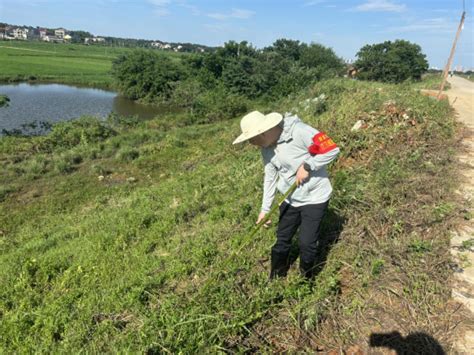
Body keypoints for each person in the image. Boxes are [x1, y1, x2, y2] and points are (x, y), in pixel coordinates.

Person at [233, 111, 340, 280]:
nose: (252, 144)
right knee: (281, 240)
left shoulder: (299, 131)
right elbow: (270, 178)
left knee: (307, 244)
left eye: (252, 139)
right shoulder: (266, 149)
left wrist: (308, 166)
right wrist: (264, 209)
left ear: (263, 132)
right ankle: (276, 277)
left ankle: (306, 280)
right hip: (290, 199)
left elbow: (331, 148)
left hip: (314, 198)